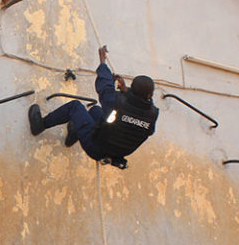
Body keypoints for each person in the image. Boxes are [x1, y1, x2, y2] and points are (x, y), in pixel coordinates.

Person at [28, 46, 158, 169]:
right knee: (96, 111)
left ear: (133, 89)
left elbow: (105, 88)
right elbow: (141, 122)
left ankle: (40, 125)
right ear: (150, 95)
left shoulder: (117, 103)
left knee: (75, 107)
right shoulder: (152, 115)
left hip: (96, 148)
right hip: (116, 156)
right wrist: (126, 92)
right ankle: (74, 134)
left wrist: (102, 62)